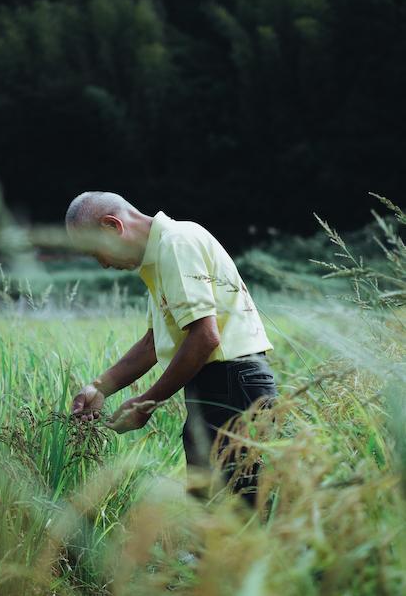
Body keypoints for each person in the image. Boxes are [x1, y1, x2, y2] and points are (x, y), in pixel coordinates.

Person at [65, 191, 277, 503]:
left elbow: (205, 337)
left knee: (234, 512)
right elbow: (153, 344)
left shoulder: (176, 245)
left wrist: (146, 403)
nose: (104, 265)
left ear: (112, 226)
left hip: (232, 384)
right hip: (217, 386)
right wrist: (99, 387)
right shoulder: (158, 258)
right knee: (212, 507)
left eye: (97, 252)